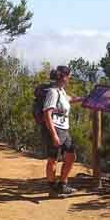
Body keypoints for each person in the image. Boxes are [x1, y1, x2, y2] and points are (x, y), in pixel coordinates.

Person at [42, 65, 84, 198]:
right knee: (53, 159)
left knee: (71, 156)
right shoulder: (53, 92)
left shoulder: (61, 91)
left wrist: (83, 98)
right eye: (69, 76)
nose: (70, 78)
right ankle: (52, 189)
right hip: (55, 128)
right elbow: (47, 113)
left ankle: (62, 185)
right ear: (64, 77)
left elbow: (69, 99)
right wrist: (54, 134)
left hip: (64, 130)